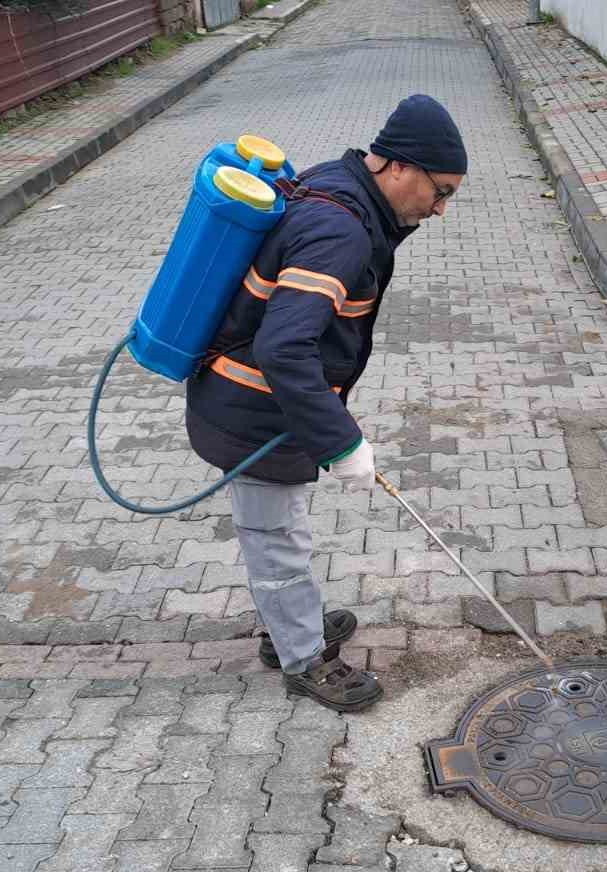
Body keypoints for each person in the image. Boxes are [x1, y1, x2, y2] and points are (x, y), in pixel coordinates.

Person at [185, 95, 468, 712]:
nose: (441, 208)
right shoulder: (340, 230)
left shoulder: (337, 184)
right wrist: (343, 442)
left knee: (279, 531)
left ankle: (291, 623)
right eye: (439, 190)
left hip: (259, 401)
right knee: (277, 539)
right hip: (252, 407)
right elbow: (285, 349)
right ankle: (302, 659)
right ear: (399, 168)